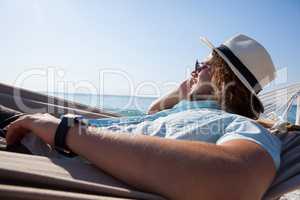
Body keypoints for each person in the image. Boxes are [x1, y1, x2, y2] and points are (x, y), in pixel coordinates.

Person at [1, 34, 281, 200]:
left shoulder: (244, 127)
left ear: (224, 76)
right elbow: (153, 115)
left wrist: (64, 131)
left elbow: (237, 180)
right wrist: (187, 91)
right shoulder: (188, 112)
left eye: (202, 65)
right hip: (44, 137)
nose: (193, 70)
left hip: (53, 149)